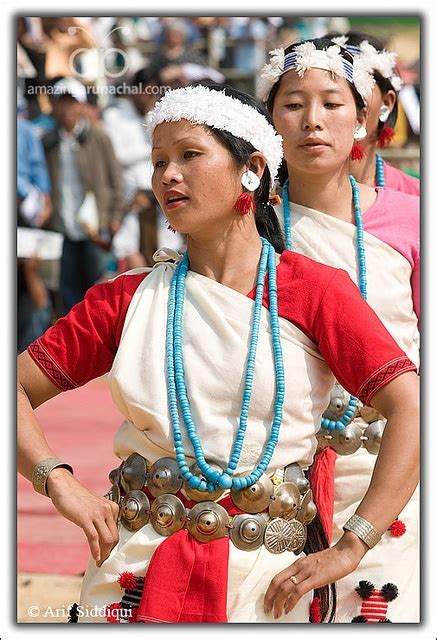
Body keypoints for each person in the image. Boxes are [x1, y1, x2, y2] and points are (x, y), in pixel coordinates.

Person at [18, 83, 418, 624]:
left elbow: (412, 409)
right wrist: (57, 481)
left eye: (189, 155)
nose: (167, 176)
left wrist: (352, 545)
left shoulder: (316, 291)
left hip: (271, 580)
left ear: (250, 168)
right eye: (158, 160)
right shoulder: (126, 298)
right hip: (135, 569)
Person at [260, 38, 420, 622]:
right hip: (274, 480)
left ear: (365, 117)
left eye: (332, 103)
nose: (313, 122)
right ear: (269, 119)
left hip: (391, 468)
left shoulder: (411, 218)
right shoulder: (241, 228)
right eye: (294, 104)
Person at [42, 77, 124, 313]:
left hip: (95, 227)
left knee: (98, 289)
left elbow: (116, 181)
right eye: (62, 102)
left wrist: (114, 217)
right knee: (67, 290)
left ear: (80, 105)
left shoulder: (98, 137)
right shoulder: (48, 141)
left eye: (72, 102)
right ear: (53, 105)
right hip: (62, 226)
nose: (67, 109)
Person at [326, 31, 420, 195]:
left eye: (358, 88)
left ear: (387, 102)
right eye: (295, 104)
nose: (346, 101)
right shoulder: (272, 198)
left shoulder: (417, 198)